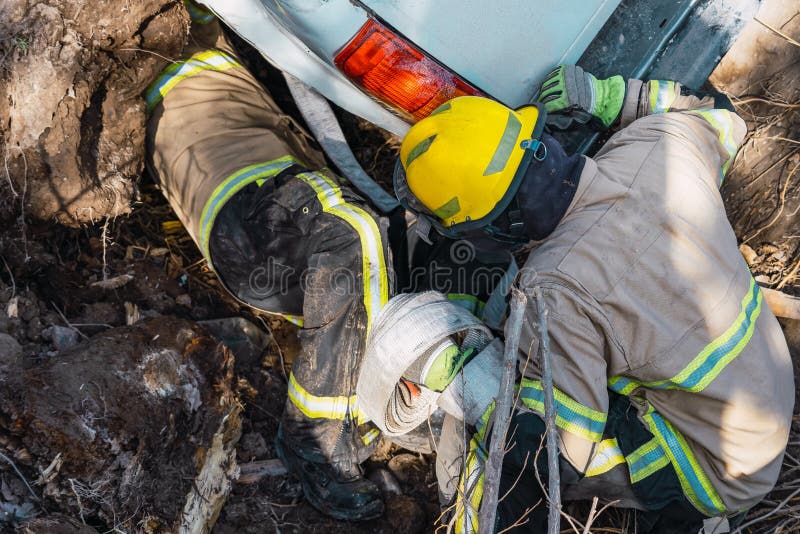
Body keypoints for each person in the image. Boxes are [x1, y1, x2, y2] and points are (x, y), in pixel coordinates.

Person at [380, 65, 794, 532]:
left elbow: (555, 452)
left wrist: (468, 382)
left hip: (712, 466)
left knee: (498, 436)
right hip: (762, 400)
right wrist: (610, 97)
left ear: (499, 226)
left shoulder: (554, 287)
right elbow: (722, 115)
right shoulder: (653, 146)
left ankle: (699, 520)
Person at [144, 6, 391, 520]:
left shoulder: (216, 37)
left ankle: (371, 408)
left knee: (374, 273)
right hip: (247, 198)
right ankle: (312, 437)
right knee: (355, 231)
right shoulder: (156, 29)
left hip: (250, 230)